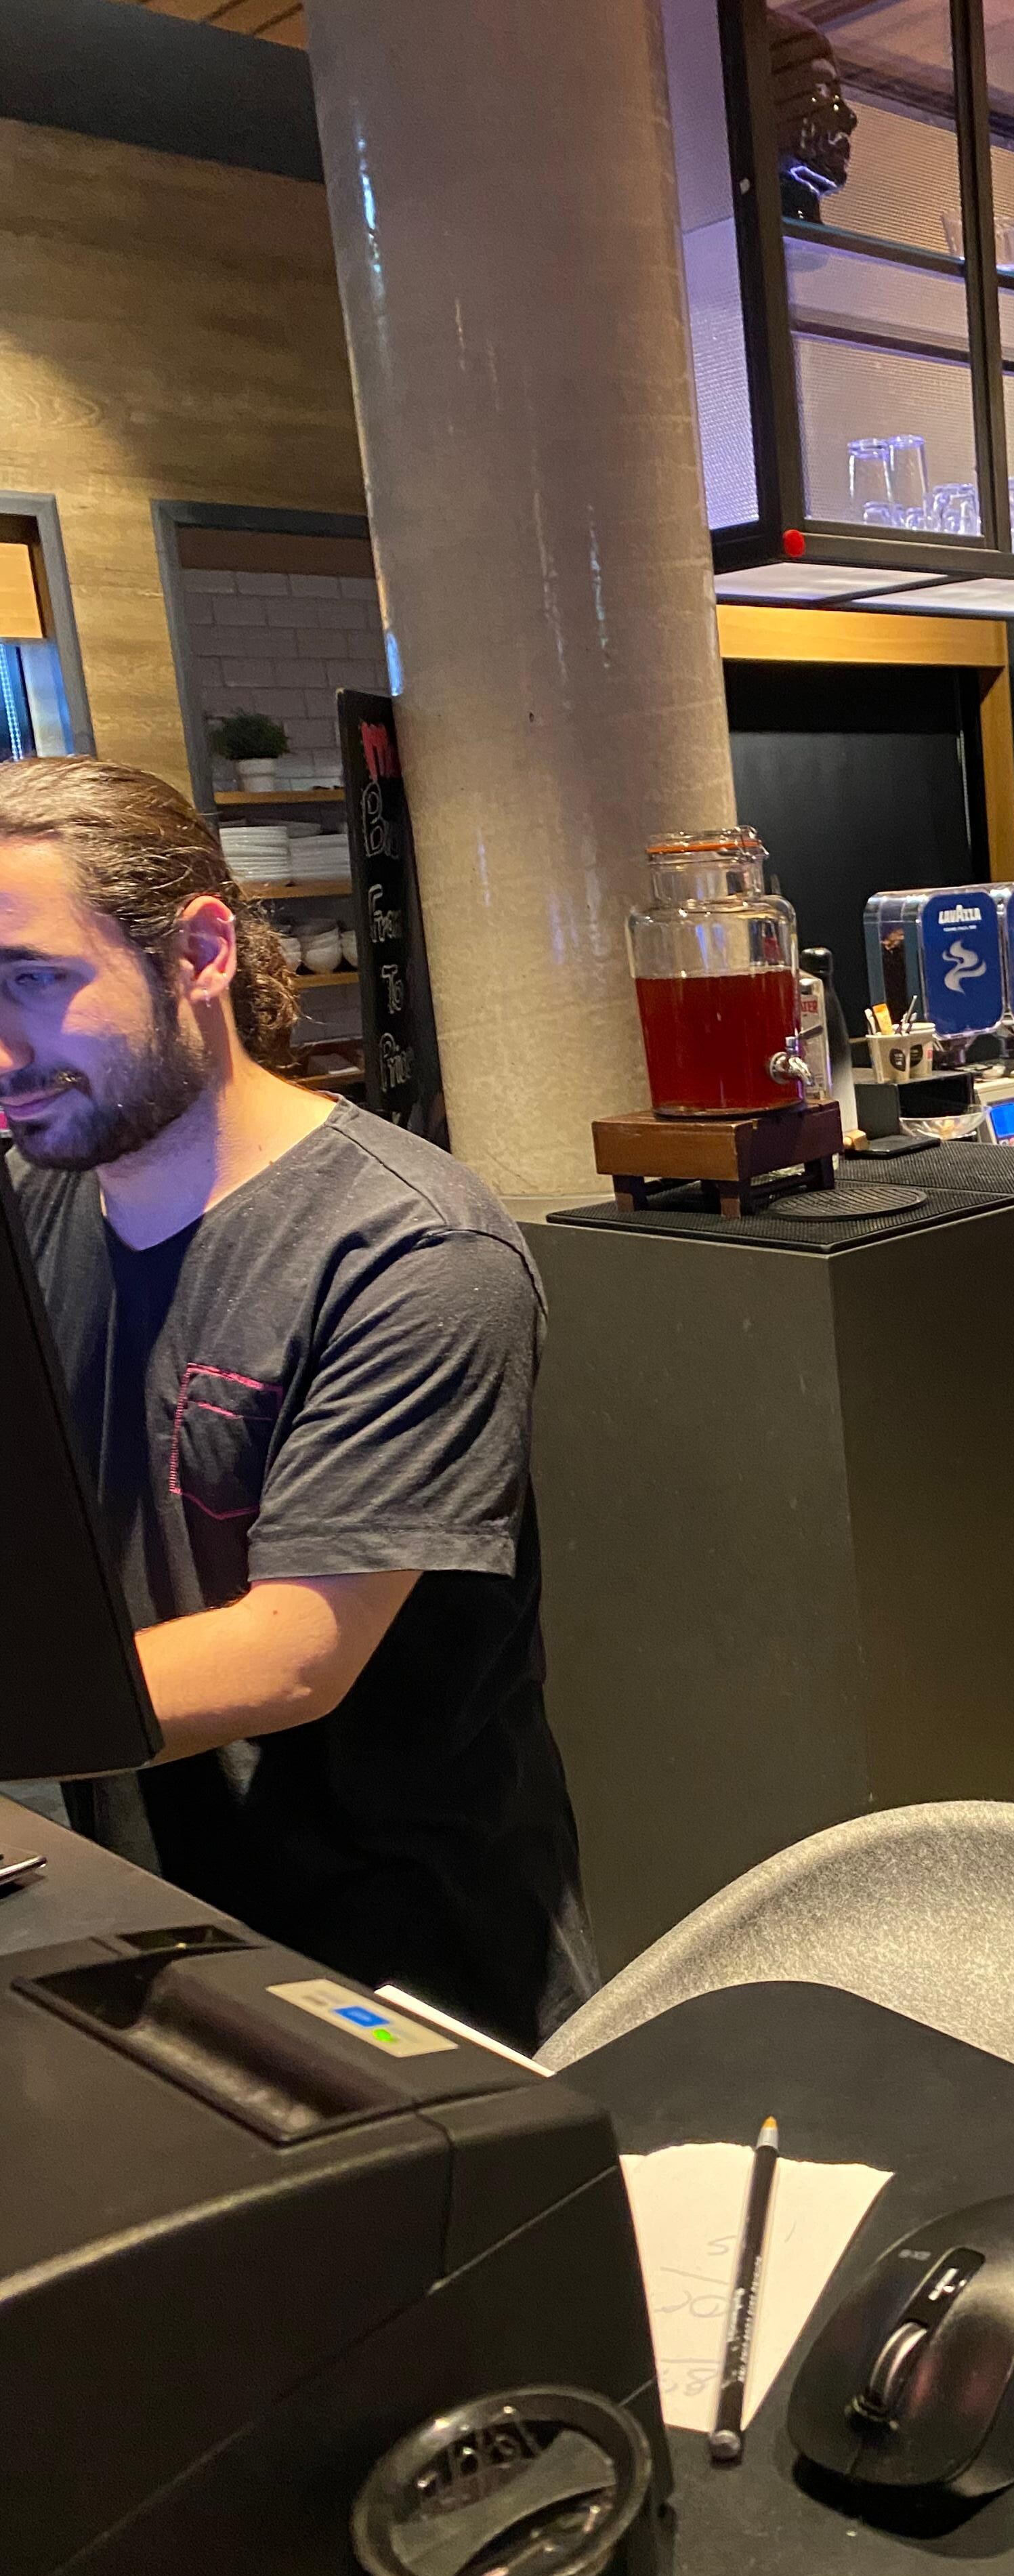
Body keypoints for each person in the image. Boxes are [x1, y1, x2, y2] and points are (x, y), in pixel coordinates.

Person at [0, 756, 595, 2051]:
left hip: (402, 1967)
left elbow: (294, 1653)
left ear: (199, 953)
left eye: (32, 981)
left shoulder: (411, 1249)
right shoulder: (36, 1196)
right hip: (145, 1917)